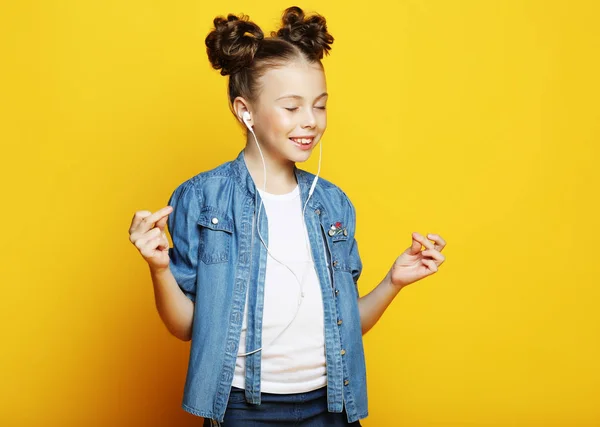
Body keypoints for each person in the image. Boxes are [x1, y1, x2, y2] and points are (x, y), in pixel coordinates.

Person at [128, 5, 447, 426]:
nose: (311, 122)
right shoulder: (203, 199)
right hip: (241, 408)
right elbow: (186, 326)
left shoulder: (333, 205)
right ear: (245, 111)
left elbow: (346, 324)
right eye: (292, 107)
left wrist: (394, 281)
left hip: (332, 406)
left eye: (319, 106)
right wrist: (158, 268)